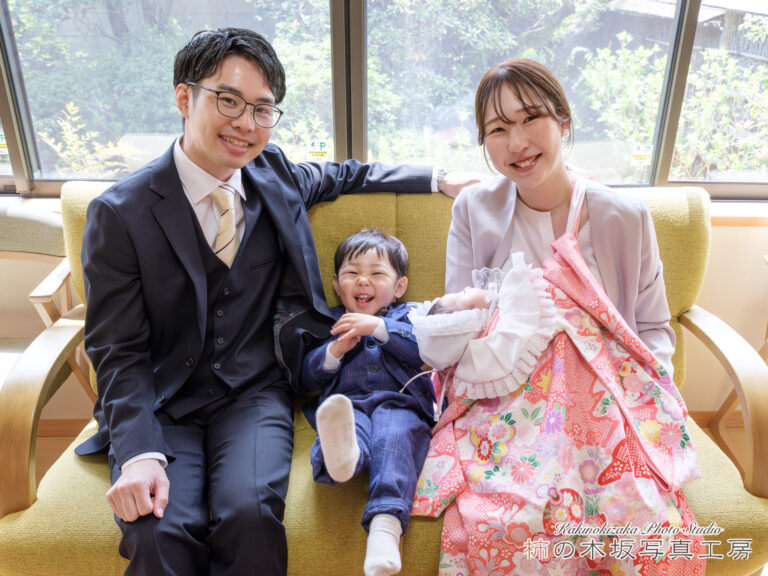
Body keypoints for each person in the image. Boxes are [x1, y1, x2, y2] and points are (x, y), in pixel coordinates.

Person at [74, 27, 476, 576]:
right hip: (163, 402)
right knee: (159, 528)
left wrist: (439, 177)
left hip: (254, 393)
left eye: (262, 109)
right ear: (184, 98)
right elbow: (117, 350)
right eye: (229, 100)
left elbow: (345, 173)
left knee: (252, 516)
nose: (246, 123)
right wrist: (140, 453)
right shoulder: (120, 213)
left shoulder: (274, 174)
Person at [409, 58, 705, 575]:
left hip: (605, 398)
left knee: (639, 524)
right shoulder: (474, 210)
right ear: (484, 142)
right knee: (508, 521)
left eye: (531, 119)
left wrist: (639, 400)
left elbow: (652, 329)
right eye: (498, 129)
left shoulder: (625, 216)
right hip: (507, 400)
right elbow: (463, 325)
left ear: (563, 120)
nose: (517, 142)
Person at [300, 229, 435, 576]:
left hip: (401, 405)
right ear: (336, 283)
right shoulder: (328, 322)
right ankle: (344, 459)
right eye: (352, 273)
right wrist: (333, 351)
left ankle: (385, 527)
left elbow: (426, 352)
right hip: (349, 405)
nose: (363, 280)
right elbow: (307, 379)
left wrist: (378, 326)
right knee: (343, 425)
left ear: (399, 286)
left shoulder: (411, 316)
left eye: (376, 273)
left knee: (393, 435)